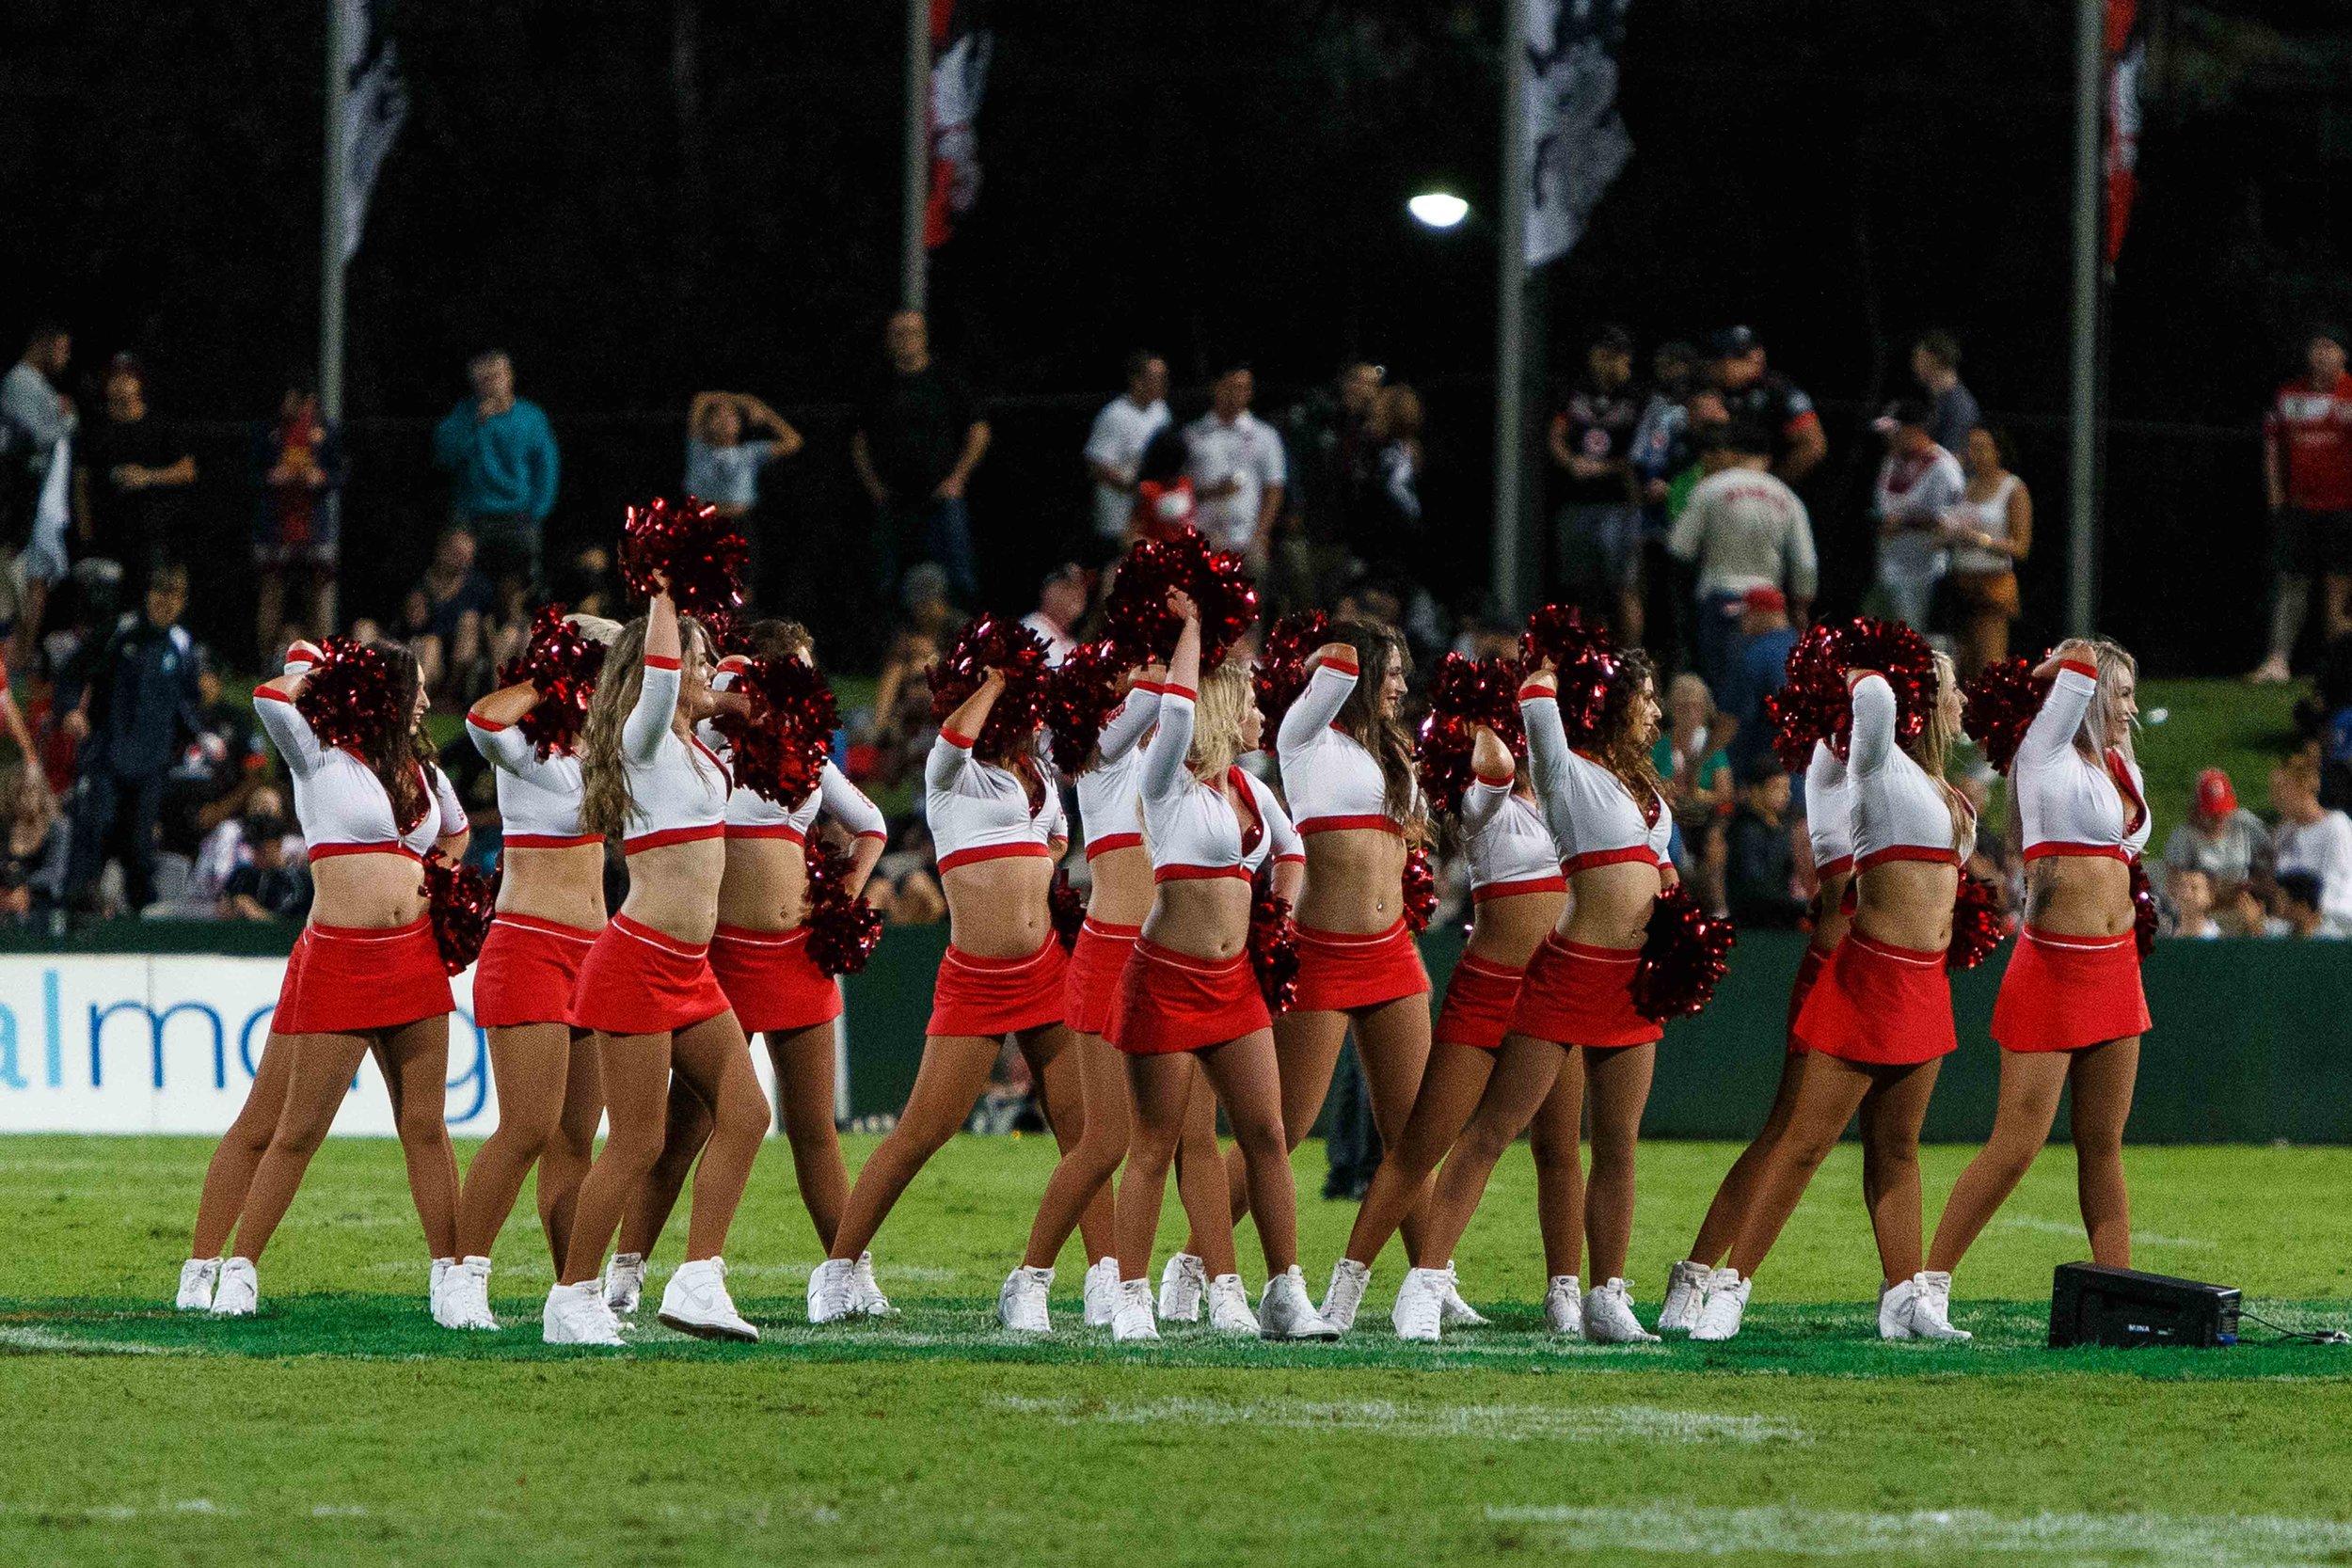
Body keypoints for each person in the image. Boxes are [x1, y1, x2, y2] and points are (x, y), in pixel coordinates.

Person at [1351, 646, 1674, 1343]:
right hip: (1544, 975)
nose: (1657, 711)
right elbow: (1520, 726)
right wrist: (1541, 676)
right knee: (1486, 1132)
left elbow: (1661, 873)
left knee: (1609, 1142)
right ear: (1611, 703)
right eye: (1645, 697)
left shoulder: (1640, 787)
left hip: (1628, 980)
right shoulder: (1556, 776)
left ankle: (1598, 1294)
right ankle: (1417, 1282)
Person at [603, 621, 889, 1319]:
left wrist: (839, 902)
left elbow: (873, 823)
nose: (803, 681)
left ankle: (847, 1272)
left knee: (815, 1128)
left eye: (809, 668)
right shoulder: (703, 749)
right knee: (683, 1130)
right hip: (721, 959)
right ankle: (626, 1268)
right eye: (790, 668)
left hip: (799, 959)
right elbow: (682, 698)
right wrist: (731, 696)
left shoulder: (809, 755)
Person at [178, 638, 469, 1319]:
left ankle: (453, 1281)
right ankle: (220, 1268)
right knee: (285, 1124)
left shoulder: (422, 768)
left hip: (413, 953)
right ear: (382, 694)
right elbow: (270, 695)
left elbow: (454, 834)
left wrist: (441, 883)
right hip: (339, 954)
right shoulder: (319, 755)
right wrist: (331, 672)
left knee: (426, 1124)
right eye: (416, 687)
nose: (427, 699)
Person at [808, 634, 1095, 1323]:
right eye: (1020, 701)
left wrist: (1034, 863)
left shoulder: (1036, 778)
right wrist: (998, 679)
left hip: (1047, 970)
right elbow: (956, 738)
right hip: (977, 977)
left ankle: (1096, 1280)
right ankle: (837, 1268)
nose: (1030, 713)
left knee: (1081, 1133)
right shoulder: (952, 773)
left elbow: (1056, 841)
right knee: (923, 1130)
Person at [1694, 646, 1974, 1343]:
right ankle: (1733, 1286)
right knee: (1805, 1144)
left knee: (1899, 1150)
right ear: (1922, 698)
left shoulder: (1945, 786)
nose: (1963, 697)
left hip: (1924, 983)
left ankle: (1906, 1296)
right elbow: (1875, 698)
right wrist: (1865, 666)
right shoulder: (1878, 765)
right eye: (1950, 686)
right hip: (1868, 977)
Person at [1099, 592, 1336, 1341]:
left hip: (1233, 985)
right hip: (1165, 978)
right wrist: (1194, 630)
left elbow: (1292, 848)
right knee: (1154, 1142)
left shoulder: (1250, 789)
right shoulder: (1165, 779)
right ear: (1223, 711)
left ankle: (1285, 1293)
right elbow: (1172, 715)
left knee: (1266, 1132)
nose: (1263, 715)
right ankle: (1133, 1298)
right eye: (1252, 705)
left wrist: (1277, 914)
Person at [544, 579, 767, 1345]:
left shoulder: (691, 744)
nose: (707, 674)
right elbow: (667, 678)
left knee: (747, 1113)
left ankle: (699, 1277)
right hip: (638, 962)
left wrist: (731, 701)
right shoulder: (642, 738)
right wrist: (666, 590)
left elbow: (699, 692)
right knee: (636, 1142)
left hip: (691, 969)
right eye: (697, 662)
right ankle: (571, 1297)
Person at [1319, 721, 1587, 1336]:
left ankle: (1564, 1291)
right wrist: (1489, 714)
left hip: (1556, 986)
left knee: (1559, 1147)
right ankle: (1361, 1286)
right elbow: (1494, 763)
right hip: (1490, 987)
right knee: (1422, 1145)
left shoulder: (1568, 795)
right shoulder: (1480, 798)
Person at [1246, 623, 1472, 1323]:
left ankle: (1431, 1275)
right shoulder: (1305, 737)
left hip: (1393, 950)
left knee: (1416, 1130)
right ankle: (1198, 1264)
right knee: (1282, 1126)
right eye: (1393, 671)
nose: (1403, 685)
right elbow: (1338, 660)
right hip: (1323, 949)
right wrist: (1338, 649)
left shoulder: (1388, 750)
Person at [1924, 641, 2151, 1326]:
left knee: (2102, 1145)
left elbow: (2123, 851)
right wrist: (2051, 669)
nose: (2131, 709)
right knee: (2016, 1145)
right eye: (2122, 695)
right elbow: (2081, 660)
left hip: (2117, 969)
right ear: (2086, 700)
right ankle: (1925, 1285)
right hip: (2052, 969)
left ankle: (2117, 1295)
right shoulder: (2043, 752)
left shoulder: (2118, 765)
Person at [439, 614, 623, 1331]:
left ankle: (571, 1292)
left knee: (578, 1138)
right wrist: (553, 678)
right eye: (604, 664)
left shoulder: (606, 748)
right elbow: (483, 719)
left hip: (596, 955)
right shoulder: (525, 745)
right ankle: (463, 1275)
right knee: (527, 1126)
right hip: (529, 946)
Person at [1661, 736, 1860, 1328]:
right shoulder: (1844, 770)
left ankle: (1912, 1292)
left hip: (1899, 981)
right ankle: (1703, 1279)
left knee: (1890, 1146)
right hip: (1841, 974)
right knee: (1788, 1136)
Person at [60, 563, 202, 913]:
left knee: (140, 846)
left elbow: (187, 703)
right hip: (107, 757)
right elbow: (71, 673)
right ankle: (74, 916)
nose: (165, 603)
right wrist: (70, 711)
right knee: (94, 829)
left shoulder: (181, 647)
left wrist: (200, 736)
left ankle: (141, 924)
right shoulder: (119, 632)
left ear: (182, 602)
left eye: (174, 596)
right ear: (148, 594)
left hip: (152, 765)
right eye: (160, 593)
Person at [1665, 422, 1816, 696]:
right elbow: (1805, 563)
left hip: (1720, 598)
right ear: (1767, 458)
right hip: (1769, 606)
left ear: (1733, 453)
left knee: (1722, 688)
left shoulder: (1709, 489)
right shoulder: (1787, 497)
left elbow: (1679, 548)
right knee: (1769, 690)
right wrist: (1801, 607)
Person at [852, 310, 988, 603]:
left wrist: (958, 477)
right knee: (889, 582)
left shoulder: (946, 379)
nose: (906, 340)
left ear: (924, 337)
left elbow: (978, 430)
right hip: (895, 499)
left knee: (957, 577)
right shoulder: (878, 385)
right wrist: (875, 487)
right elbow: (860, 441)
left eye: (912, 332)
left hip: (941, 497)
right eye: (898, 334)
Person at [2251, 329, 2352, 683]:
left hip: (2343, 507)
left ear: (2343, 355)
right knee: (2291, 582)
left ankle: (2338, 669)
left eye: (2330, 348)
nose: (2323, 356)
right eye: (2318, 348)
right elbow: (2272, 446)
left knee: (2338, 590)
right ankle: (2278, 661)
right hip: (2300, 507)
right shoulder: (2289, 395)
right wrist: (2276, 495)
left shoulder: (2350, 393)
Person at [431, 350, 560, 592]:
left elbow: (547, 467)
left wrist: (538, 510)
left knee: (525, 582)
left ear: (509, 376)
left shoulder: (531, 417)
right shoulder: (464, 414)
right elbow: (444, 457)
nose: (491, 384)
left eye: (496, 376)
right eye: (484, 379)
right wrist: (474, 425)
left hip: (519, 514)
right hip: (474, 515)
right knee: (464, 581)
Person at [1549, 325, 1645, 639]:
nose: (1611, 364)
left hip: (1620, 504)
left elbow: (1643, 454)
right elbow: (1556, 436)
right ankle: (1585, 654)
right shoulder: (1574, 391)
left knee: (1624, 588)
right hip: (1578, 501)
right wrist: (1572, 462)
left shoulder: (1638, 397)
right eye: (1605, 356)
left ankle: (1632, 658)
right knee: (1581, 589)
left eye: (1617, 357)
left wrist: (1605, 469)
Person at [252, 383, 347, 668]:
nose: (287, 405)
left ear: (309, 401)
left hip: (315, 527)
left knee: (318, 597)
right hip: (275, 527)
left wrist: (322, 478)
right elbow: (251, 472)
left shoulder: (326, 431)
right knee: (272, 594)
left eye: (294, 399)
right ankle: (266, 663)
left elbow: (341, 472)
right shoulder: (269, 430)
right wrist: (271, 477)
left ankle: (320, 664)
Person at [2, 323, 76, 664]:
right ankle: (14, 661)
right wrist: (67, 420)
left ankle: (20, 660)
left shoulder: (41, 386)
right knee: (19, 582)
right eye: (61, 348)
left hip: (39, 503)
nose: (65, 357)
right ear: (42, 345)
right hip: (18, 502)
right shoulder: (19, 381)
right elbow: (30, 436)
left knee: (35, 580)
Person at [685, 390, 802, 605]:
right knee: (700, 589)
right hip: (705, 525)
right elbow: (700, 399)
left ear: (740, 423)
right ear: (707, 423)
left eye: (731, 417)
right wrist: (740, 400)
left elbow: (793, 441)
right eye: (717, 416)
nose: (724, 421)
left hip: (740, 524)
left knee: (743, 592)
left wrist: (758, 406)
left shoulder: (749, 452)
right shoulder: (698, 447)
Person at [1941, 426, 2032, 671]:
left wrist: (1979, 539)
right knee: (1961, 663)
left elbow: (2021, 546)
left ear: (1998, 452)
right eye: (1971, 448)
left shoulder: (2012, 489)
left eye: (1982, 448)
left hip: (1991, 582)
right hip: (1959, 580)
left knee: (1989, 663)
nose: (1974, 454)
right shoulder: (1964, 487)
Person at [1871, 402, 1964, 632]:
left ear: (1915, 430)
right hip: (1890, 567)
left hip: (1927, 572)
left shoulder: (1943, 467)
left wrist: (1904, 523)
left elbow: (1950, 522)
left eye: (1895, 431)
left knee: (1920, 640)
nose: (1889, 438)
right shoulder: (1892, 461)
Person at [1184, 365, 1286, 572]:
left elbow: (1274, 488)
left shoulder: (1264, 435)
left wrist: (1261, 533)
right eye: (1232, 387)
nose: (1238, 394)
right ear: (1217, 387)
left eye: (1244, 389)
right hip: (1204, 536)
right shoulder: (1193, 435)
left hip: (1246, 537)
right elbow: (1181, 488)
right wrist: (1212, 491)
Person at [1655, 672, 1733, 915]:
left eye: (1696, 707)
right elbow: (1652, 785)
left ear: (1705, 709)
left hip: (1706, 819)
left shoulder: (1712, 747)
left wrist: (1693, 794)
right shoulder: (1660, 746)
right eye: (1682, 707)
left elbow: (1724, 793)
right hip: (1670, 818)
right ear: (1672, 709)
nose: (1689, 713)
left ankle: (1719, 909)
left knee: (1714, 844)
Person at [1711, 326, 1826, 484]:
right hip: (1713, 480)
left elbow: (1813, 446)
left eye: (1756, 350)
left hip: (1758, 481)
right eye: (1741, 356)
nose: (1755, 357)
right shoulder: (1706, 389)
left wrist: (1772, 482)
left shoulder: (1779, 389)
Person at [1083, 352, 1169, 555]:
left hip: (1152, 514)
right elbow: (1097, 465)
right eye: (1156, 377)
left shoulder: (1161, 411)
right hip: (1118, 515)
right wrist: (1134, 485)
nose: (1163, 383)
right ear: (1137, 380)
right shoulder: (1114, 415)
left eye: (1164, 377)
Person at [1719, 586, 1799, 784]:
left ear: (1764, 614)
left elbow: (1729, 722)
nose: (1742, 621)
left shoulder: (1756, 655)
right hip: (1810, 774)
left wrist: (1704, 760)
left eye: (1748, 615)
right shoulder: (1806, 648)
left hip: (1767, 777)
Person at [406, 531, 497, 705]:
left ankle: (450, 695)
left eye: (467, 555)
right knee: (431, 644)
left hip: (460, 658)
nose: (463, 560)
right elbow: (411, 625)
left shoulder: (477, 586)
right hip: (424, 647)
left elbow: (488, 626)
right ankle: (420, 698)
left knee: (469, 619)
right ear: (442, 550)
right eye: (457, 554)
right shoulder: (420, 581)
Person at [2269, 751, 2352, 935]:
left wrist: (2311, 920)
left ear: (2304, 787)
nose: (2275, 797)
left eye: (2281, 788)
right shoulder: (2284, 832)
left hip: (2333, 925)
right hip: (2290, 924)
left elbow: (2337, 880)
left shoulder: (2336, 825)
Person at [2161, 768, 2269, 908]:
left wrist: (2257, 883)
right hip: (2205, 908)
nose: (2219, 818)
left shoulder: (2245, 822)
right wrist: (2214, 891)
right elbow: (2174, 885)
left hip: (2246, 902)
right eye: (2212, 814)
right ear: (2197, 810)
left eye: (2224, 811)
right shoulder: (2184, 837)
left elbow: (2271, 857)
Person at [217, 807, 310, 922]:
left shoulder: (300, 881)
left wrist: (258, 914)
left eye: (262, 850)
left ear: (278, 845)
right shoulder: (242, 875)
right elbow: (221, 913)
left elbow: (297, 921)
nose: (256, 856)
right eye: (253, 849)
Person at [1912, 332, 1982, 457]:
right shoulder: (1940, 400)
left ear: (1934, 359)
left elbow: (1954, 459)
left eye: (1918, 356)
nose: (1914, 362)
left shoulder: (1959, 405)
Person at [1018, 563, 1089, 667]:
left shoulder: (1071, 644)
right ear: (1049, 591)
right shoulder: (1032, 628)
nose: (1075, 598)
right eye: (1067, 588)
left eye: (1079, 592)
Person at [2166, 866, 2222, 939]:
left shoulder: (2219, 939)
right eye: (2182, 887)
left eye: (2194, 888)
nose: (2186, 895)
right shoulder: (2166, 935)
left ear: (2210, 895)